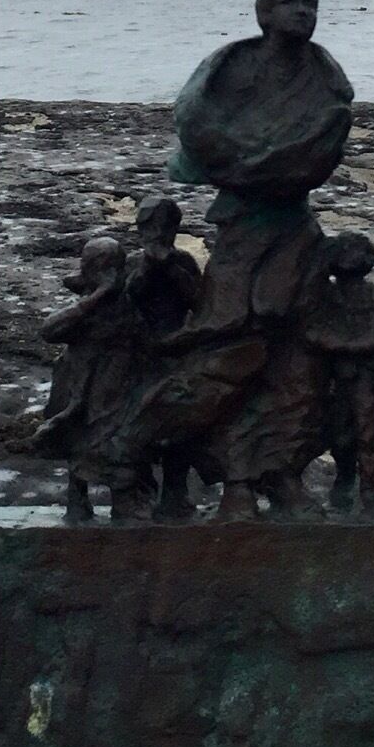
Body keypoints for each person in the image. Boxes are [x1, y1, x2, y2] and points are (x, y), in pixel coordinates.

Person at [124, 0, 353, 518]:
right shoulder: (228, 71)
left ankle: (281, 472)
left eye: (311, 2)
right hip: (242, 226)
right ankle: (224, 476)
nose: (303, 10)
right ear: (264, 13)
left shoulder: (326, 82)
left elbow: (321, 146)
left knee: (297, 355)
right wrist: (260, 161)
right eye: (291, 2)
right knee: (228, 342)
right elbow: (200, 128)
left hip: (294, 229)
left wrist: (272, 162)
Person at [34, 236, 150, 522]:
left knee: (117, 441)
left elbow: (141, 336)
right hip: (78, 383)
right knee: (77, 436)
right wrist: (95, 298)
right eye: (96, 265)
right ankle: (78, 500)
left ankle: (123, 502)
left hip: (116, 384)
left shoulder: (127, 303)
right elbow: (49, 330)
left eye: (108, 266)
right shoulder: (88, 306)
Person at [120, 194, 205, 518]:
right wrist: (146, 269)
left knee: (179, 427)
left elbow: (199, 302)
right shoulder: (133, 263)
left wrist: (170, 268)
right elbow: (126, 301)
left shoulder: (183, 262)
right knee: (137, 424)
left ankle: (175, 490)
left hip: (175, 350)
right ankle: (140, 490)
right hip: (139, 354)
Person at [306, 231, 374, 520]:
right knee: (339, 437)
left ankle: (372, 498)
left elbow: (370, 340)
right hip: (334, 377)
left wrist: (330, 343)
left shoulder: (372, 294)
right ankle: (344, 482)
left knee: (369, 437)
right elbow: (312, 331)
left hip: (365, 376)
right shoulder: (326, 294)